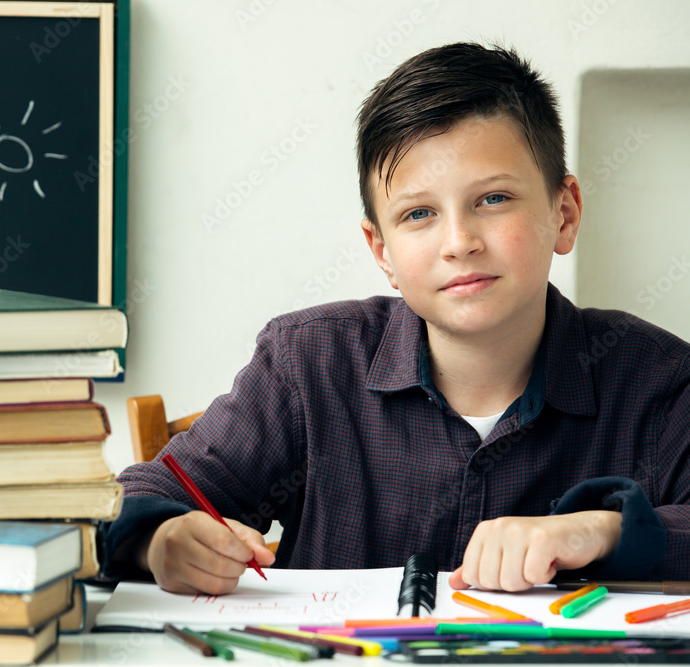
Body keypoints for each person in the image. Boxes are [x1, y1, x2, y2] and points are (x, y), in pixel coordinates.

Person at [103, 42, 690, 596]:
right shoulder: (308, 363)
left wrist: (602, 530)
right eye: (418, 214)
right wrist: (157, 540)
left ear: (564, 213)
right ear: (381, 250)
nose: (459, 242)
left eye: (493, 199)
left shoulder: (656, 380)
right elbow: (139, 496)